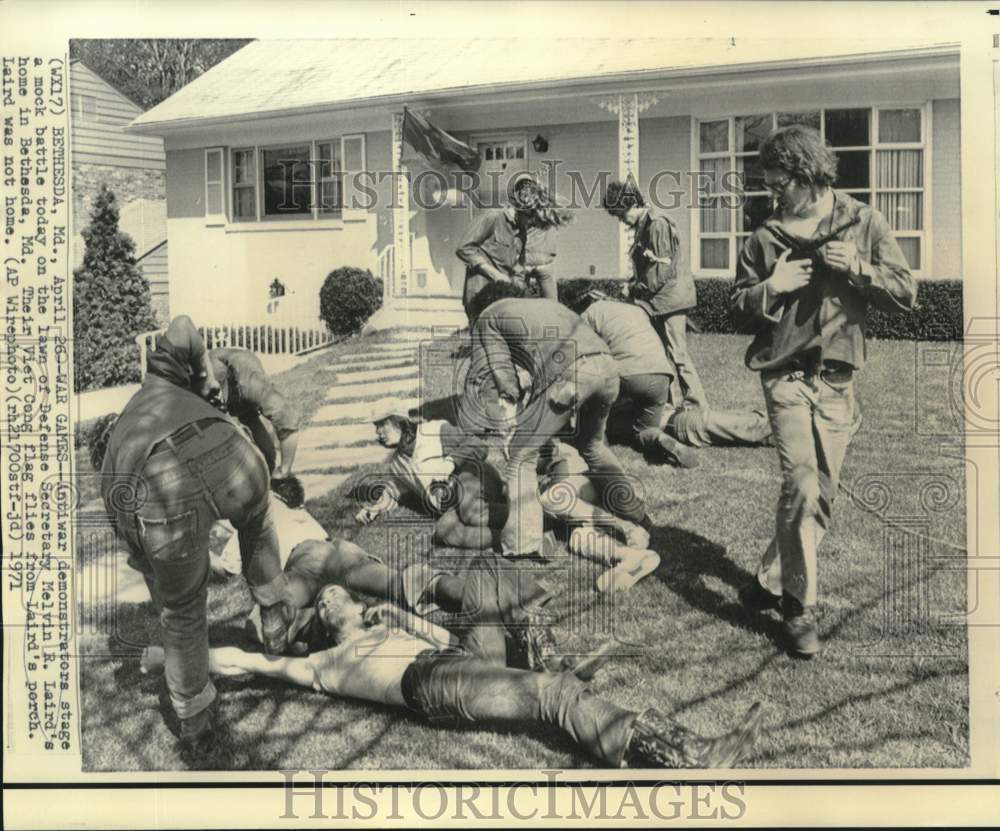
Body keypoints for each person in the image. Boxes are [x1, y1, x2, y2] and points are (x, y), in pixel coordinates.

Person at [141, 579, 764, 770]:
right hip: (429, 688)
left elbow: (447, 638)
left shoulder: (388, 625)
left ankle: (546, 660)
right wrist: (166, 658)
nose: (331, 601)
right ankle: (681, 753)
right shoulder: (321, 666)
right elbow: (249, 661)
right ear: (324, 625)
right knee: (551, 696)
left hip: (446, 660)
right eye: (324, 605)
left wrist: (408, 617)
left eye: (338, 595)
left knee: (486, 604)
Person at [731, 125, 916, 657]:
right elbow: (736, 305)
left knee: (821, 496)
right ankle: (799, 608)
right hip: (784, 378)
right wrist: (773, 287)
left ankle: (768, 580)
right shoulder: (764, 238)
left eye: (780, 184)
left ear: (809, 175)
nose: (772, 194)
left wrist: (857, 268)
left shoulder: (862, 222)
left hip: (838, 381)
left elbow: (906, 292)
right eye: (768, 184)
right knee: (803, 485)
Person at [99, 315, 294, 749]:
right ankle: (275, 621)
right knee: (257, 523)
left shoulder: (111, 477)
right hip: (229, 451)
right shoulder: (157, 384)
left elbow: (150, 565)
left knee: (183, 612)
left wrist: (179, 587)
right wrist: (204, 377)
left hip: (162, 490)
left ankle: (196, 724)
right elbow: (184, 325)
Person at [463, 282, 651, 559]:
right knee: (593, 446)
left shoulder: (488, 317)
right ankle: (635, 513)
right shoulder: (545, 304)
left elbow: (499, 378)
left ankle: (522, 544)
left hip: (571, 375)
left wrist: (502, 419)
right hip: (608, 369)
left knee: (520, 454)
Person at [602, 179, 708, 408]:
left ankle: (697, 404)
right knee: (662, 356)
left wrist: (634, 289)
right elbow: (651, 268)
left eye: (621, 215)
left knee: (678, 354)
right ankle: (669, 404)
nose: (621, 221)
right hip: (661, 299)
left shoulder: (657, 224)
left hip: (671, 299)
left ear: (631, 205)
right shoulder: (646, 224)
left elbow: (662, 270)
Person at [354, 397, 507, 549]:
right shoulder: (397, 464)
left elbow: (478, 446)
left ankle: (525, 515)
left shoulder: (433, 431)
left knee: (471, 513)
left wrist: (450, 462)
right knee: (445, 531)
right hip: (453, 504)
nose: (378, 432)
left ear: (398, 420)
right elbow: (394, 492)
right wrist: (374, 508)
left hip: (475, 477)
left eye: (382, 424)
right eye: (376, 426)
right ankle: (510, 536)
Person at [573, 290, 699, 468]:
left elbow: (583, 352)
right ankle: (660, 438)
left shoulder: (591, 313)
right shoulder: (635, 310)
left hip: (628, 373)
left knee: (593, 393)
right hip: (661, 375)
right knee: (644, 430)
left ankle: (599, 439)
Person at [537, 440, 661, 593]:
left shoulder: (544, 440)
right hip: (592, 500)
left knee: (551, 499)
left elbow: (560, 461)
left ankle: (625, 526)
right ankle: (632, 556)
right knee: (578, 536)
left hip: (589, 484)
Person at [456, 171, 570, 321]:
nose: (530, 224)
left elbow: (517, 268)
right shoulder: (493, 216)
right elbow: (464, 249)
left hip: (501, 298)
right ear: (520, 210)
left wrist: (521, 292)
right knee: (484, 342)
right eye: (530, 218)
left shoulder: (521, 232)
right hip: (480, 294)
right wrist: (493, 274)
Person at [207, 346, 303, 500]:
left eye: (215, 393)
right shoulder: (195, 388)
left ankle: (275, 480)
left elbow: (288, 419)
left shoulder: (248, 381)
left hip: (239, 374)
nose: (215, 399)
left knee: (265, 453)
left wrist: (284, 472)